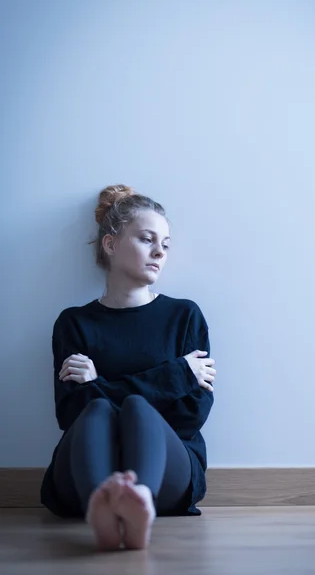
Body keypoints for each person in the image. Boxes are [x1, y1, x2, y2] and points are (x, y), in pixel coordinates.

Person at [40, 184, 216, 551]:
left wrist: (98, 384)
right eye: (146, 239)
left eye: (165, 245)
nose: (158, 252)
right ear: (110, 244)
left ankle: (139, 503)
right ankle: (100, 508)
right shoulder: (74, 324)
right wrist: (176, 376)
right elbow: (71, 413)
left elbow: (189, 416)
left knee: (129, 407)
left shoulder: (185, 316)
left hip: (169, 473)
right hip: (83, 471)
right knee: (98, 410)